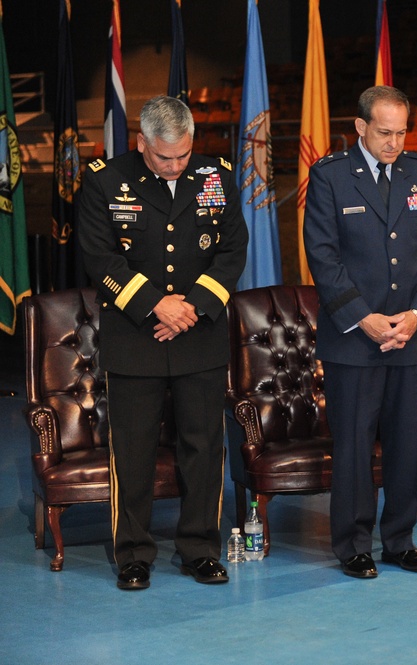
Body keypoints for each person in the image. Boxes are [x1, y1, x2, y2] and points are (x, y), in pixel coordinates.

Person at [77, 95, 248, 589]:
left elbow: (233, 249)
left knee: (203, 444)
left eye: (182, 156)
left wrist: (190, 307)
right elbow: (100, 256)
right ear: (142, 143)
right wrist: (158, 305)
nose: (175, 166)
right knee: (132, 449)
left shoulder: (215, 175)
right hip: (135, 335)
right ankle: (133, 553)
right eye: (163, 157)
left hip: (200, 332)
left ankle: (200, 548)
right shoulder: (106, 179)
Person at [303, 86, 417, 579]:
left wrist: (415, 317)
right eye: (384, 132)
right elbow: (323, 256)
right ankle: (352, 543)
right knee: (352, 445)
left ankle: (400, 539)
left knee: (406, 446)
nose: (393, 142)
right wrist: (364, 318)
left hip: (412, 336)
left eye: (401, 132)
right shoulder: (329, 176)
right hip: (354, 338)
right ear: (360, 127)